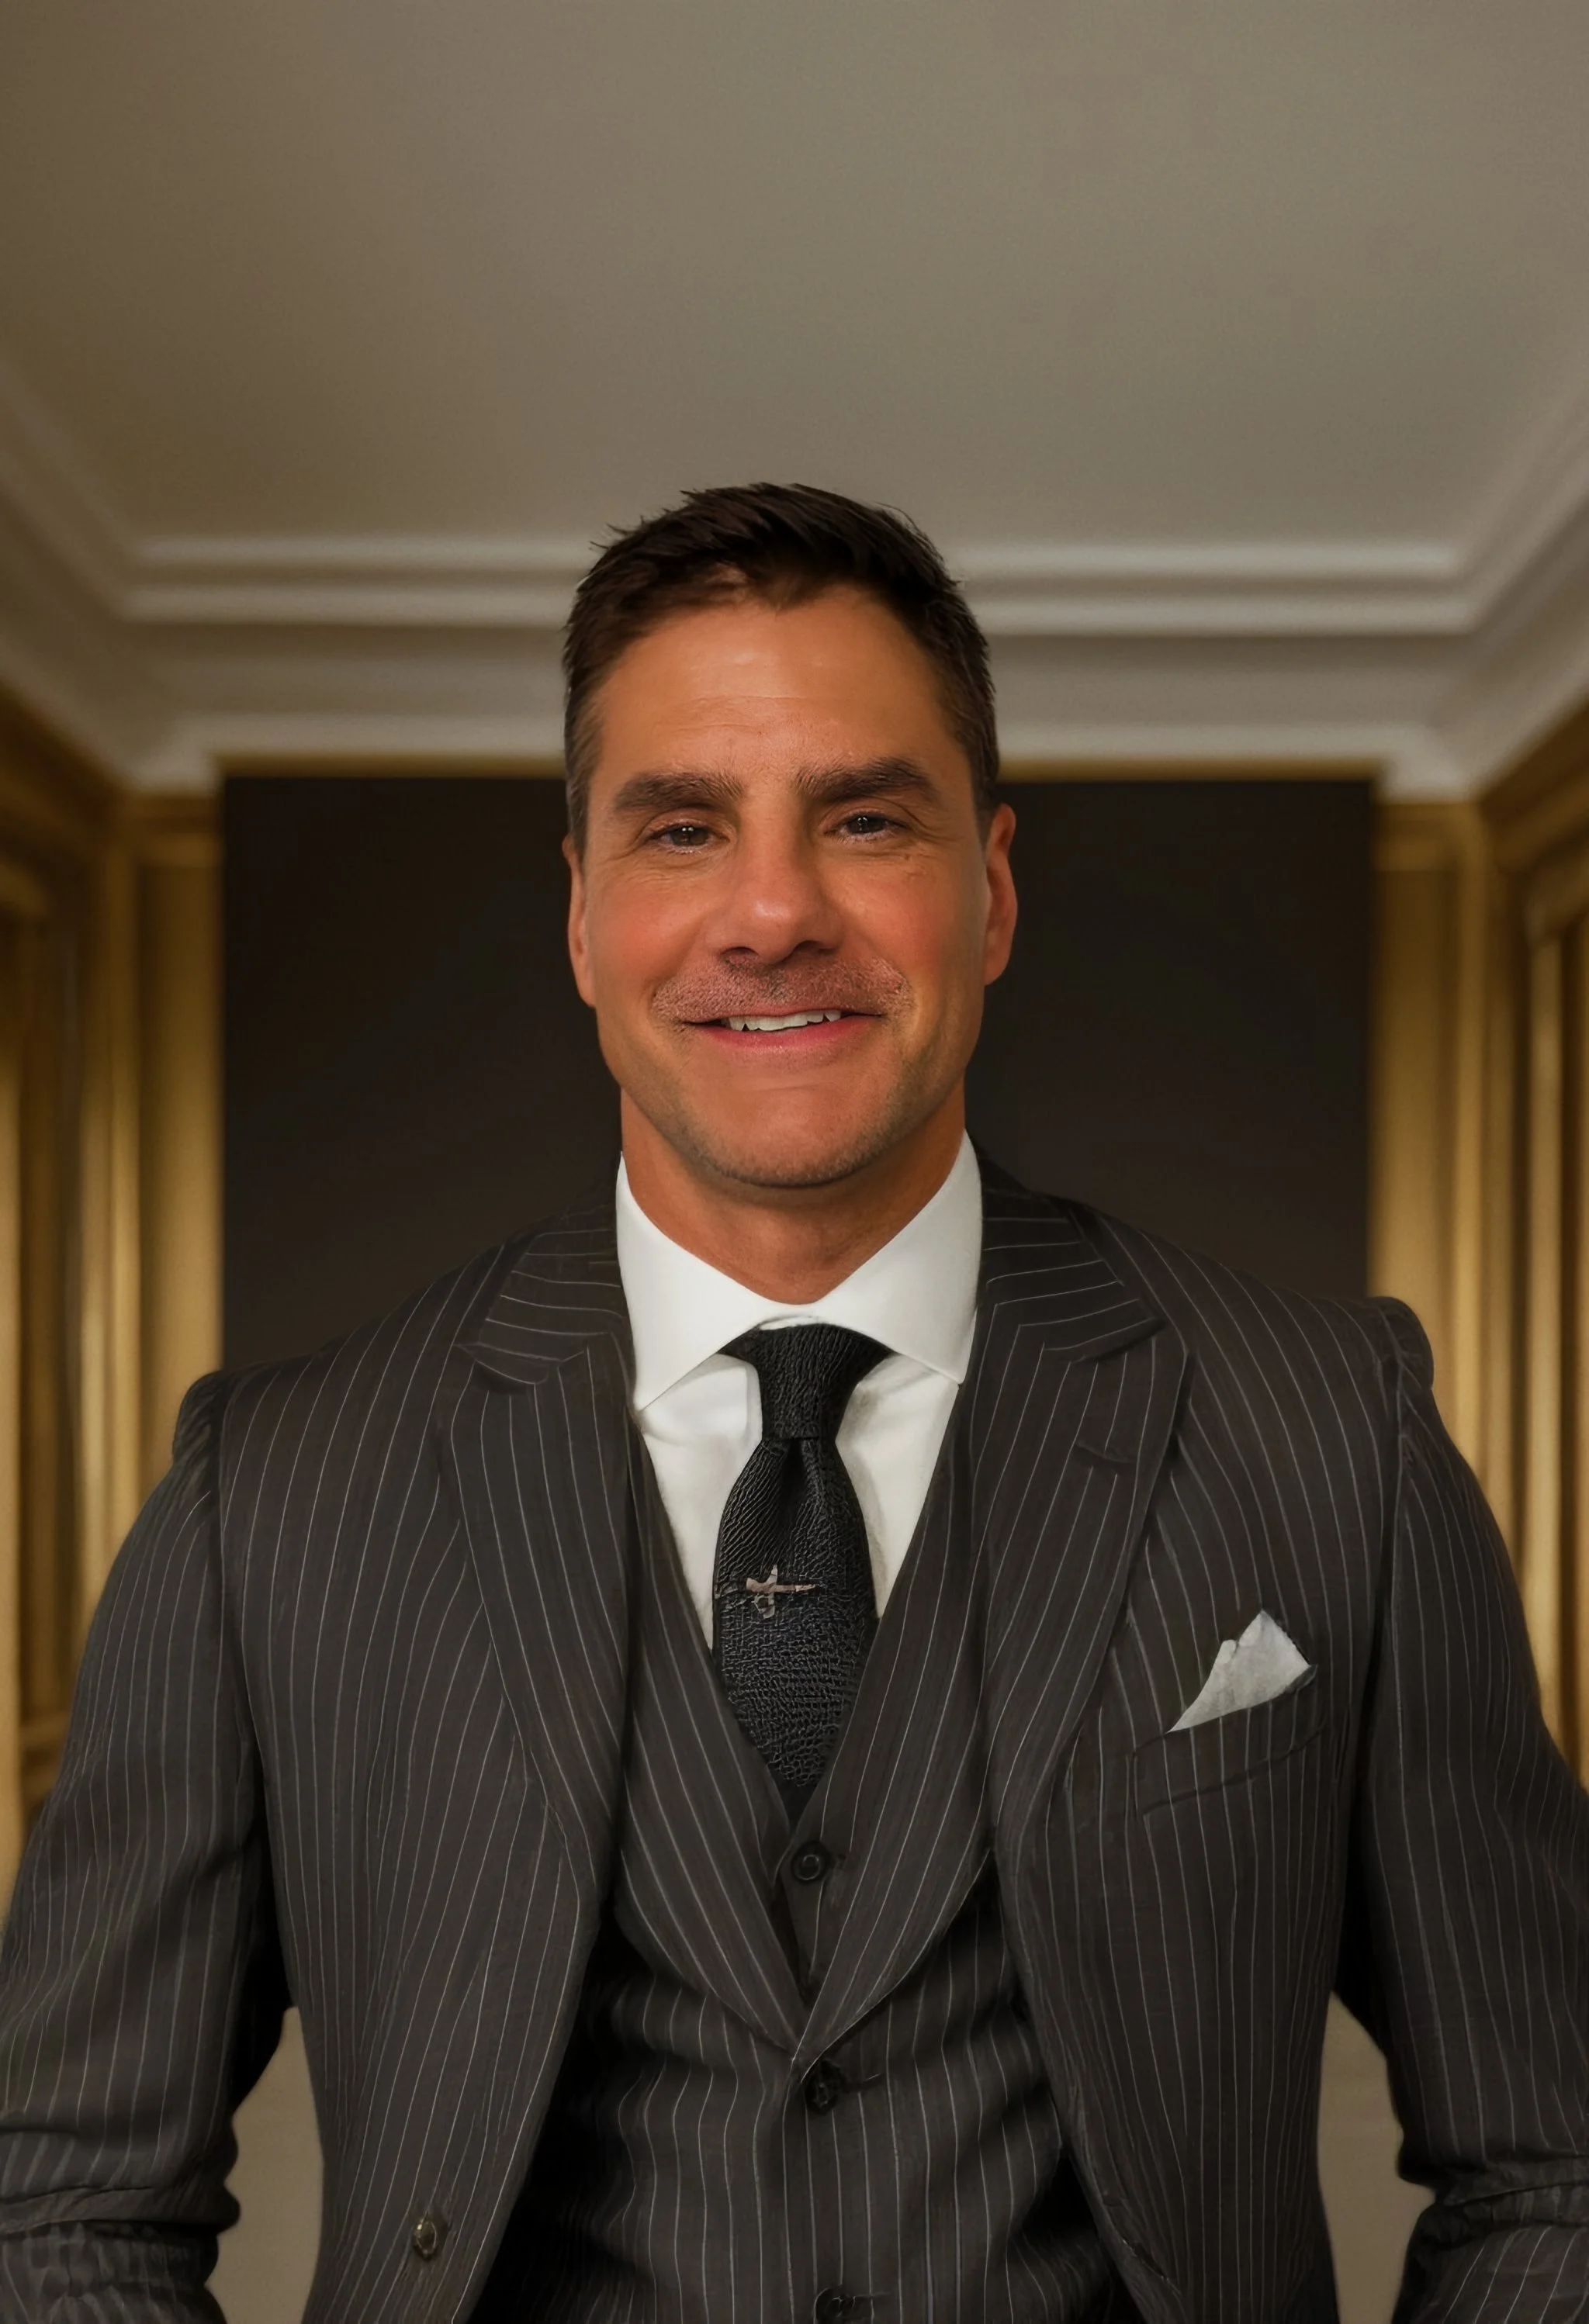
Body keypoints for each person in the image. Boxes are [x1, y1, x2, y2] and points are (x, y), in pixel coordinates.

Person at [1, 482, 1585, 2324]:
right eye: (682, 827)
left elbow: (1552, 2159)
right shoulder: (270, 1488)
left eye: (861, 817)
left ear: (987, 893)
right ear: (585, 915)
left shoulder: (1330, 1429)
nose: (772, 911)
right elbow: (64, 2206)